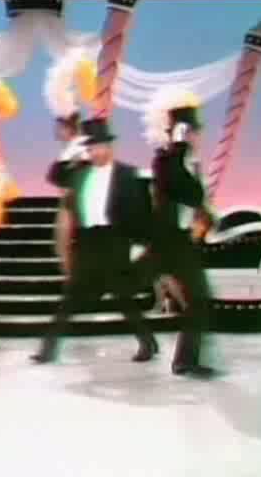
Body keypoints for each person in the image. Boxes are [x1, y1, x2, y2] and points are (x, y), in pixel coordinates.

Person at [31, 118, 158, 364]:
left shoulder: (127, 174)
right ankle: (48, 349)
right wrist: (70, 152)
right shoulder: (80, 174)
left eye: (99, 147)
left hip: (114, 240)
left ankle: (147, 342)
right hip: (88, 242)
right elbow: (54, 176)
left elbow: (140, 212)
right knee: (70, 298)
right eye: (90, 148)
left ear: (109, 146)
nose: (95, 153)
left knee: (122, 297)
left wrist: (139, 244)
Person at [144, 90, 218, 378]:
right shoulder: (165, 161)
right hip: (167, 243)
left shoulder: (190, 163)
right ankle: (182, 360)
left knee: (198, 301)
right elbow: (183, 189)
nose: (197, 137)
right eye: (191, 132)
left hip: (182, 242)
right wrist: (178, 145)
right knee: (196, 300)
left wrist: (207, 219)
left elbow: (195, 198)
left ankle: (184, 360)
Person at [52, 112, 88, 275]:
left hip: (76, 200)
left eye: (59, 128)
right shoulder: (71, 148)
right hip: (71, 200)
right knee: (62, 243)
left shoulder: (80, 147)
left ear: (67, 128)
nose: (56, 131)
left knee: (64, 243)